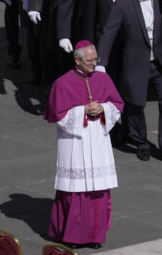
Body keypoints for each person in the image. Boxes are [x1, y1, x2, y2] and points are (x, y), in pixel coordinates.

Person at [97, 0, 162, 164]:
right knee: (135, 105)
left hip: (159, 63)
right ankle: (142, 143)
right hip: (136, 63)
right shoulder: (122, 5)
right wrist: (100, 62)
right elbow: (108, 33)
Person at [45, 42, 123, 249]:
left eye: (96, 59)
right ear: (77, 60)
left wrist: (103, 108)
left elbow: (117, 104)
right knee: (75, 191)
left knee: (98, 191)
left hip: (98, 139)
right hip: (75, 142)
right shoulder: (62, 83)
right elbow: (57, 115)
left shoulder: (103, 78)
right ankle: (72, 236)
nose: (94, 64)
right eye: (89, 61)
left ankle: (95, 235)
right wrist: (84, 111)